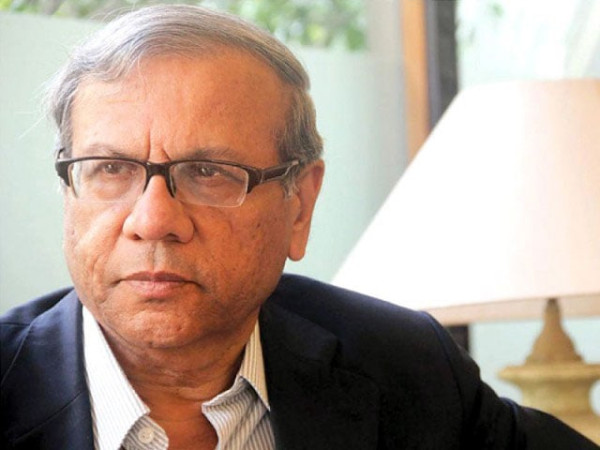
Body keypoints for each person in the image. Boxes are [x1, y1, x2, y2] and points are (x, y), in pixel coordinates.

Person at [0, 5, 597, 450]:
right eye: (110, 169)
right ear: (67, 189)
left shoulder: (405, 370)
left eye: (209, 172)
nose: (154, 220)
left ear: (301, 206)